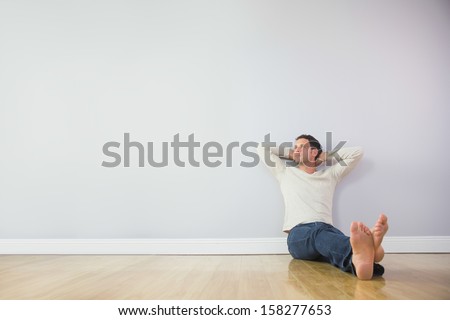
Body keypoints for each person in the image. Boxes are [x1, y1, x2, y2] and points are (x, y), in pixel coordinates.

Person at [257, 134, 389, 280]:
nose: (297, 149)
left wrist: (324, 156)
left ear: (314, 152)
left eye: (302, 146)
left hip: (327, 231)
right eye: (295, 147)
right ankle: (367, 247)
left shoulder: (330, 175)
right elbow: (262, 148)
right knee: (318, 233)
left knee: (329, 240)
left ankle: (361, 259)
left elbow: (357, 152)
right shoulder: (285, 173)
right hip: (298, 235)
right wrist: (292, 153)